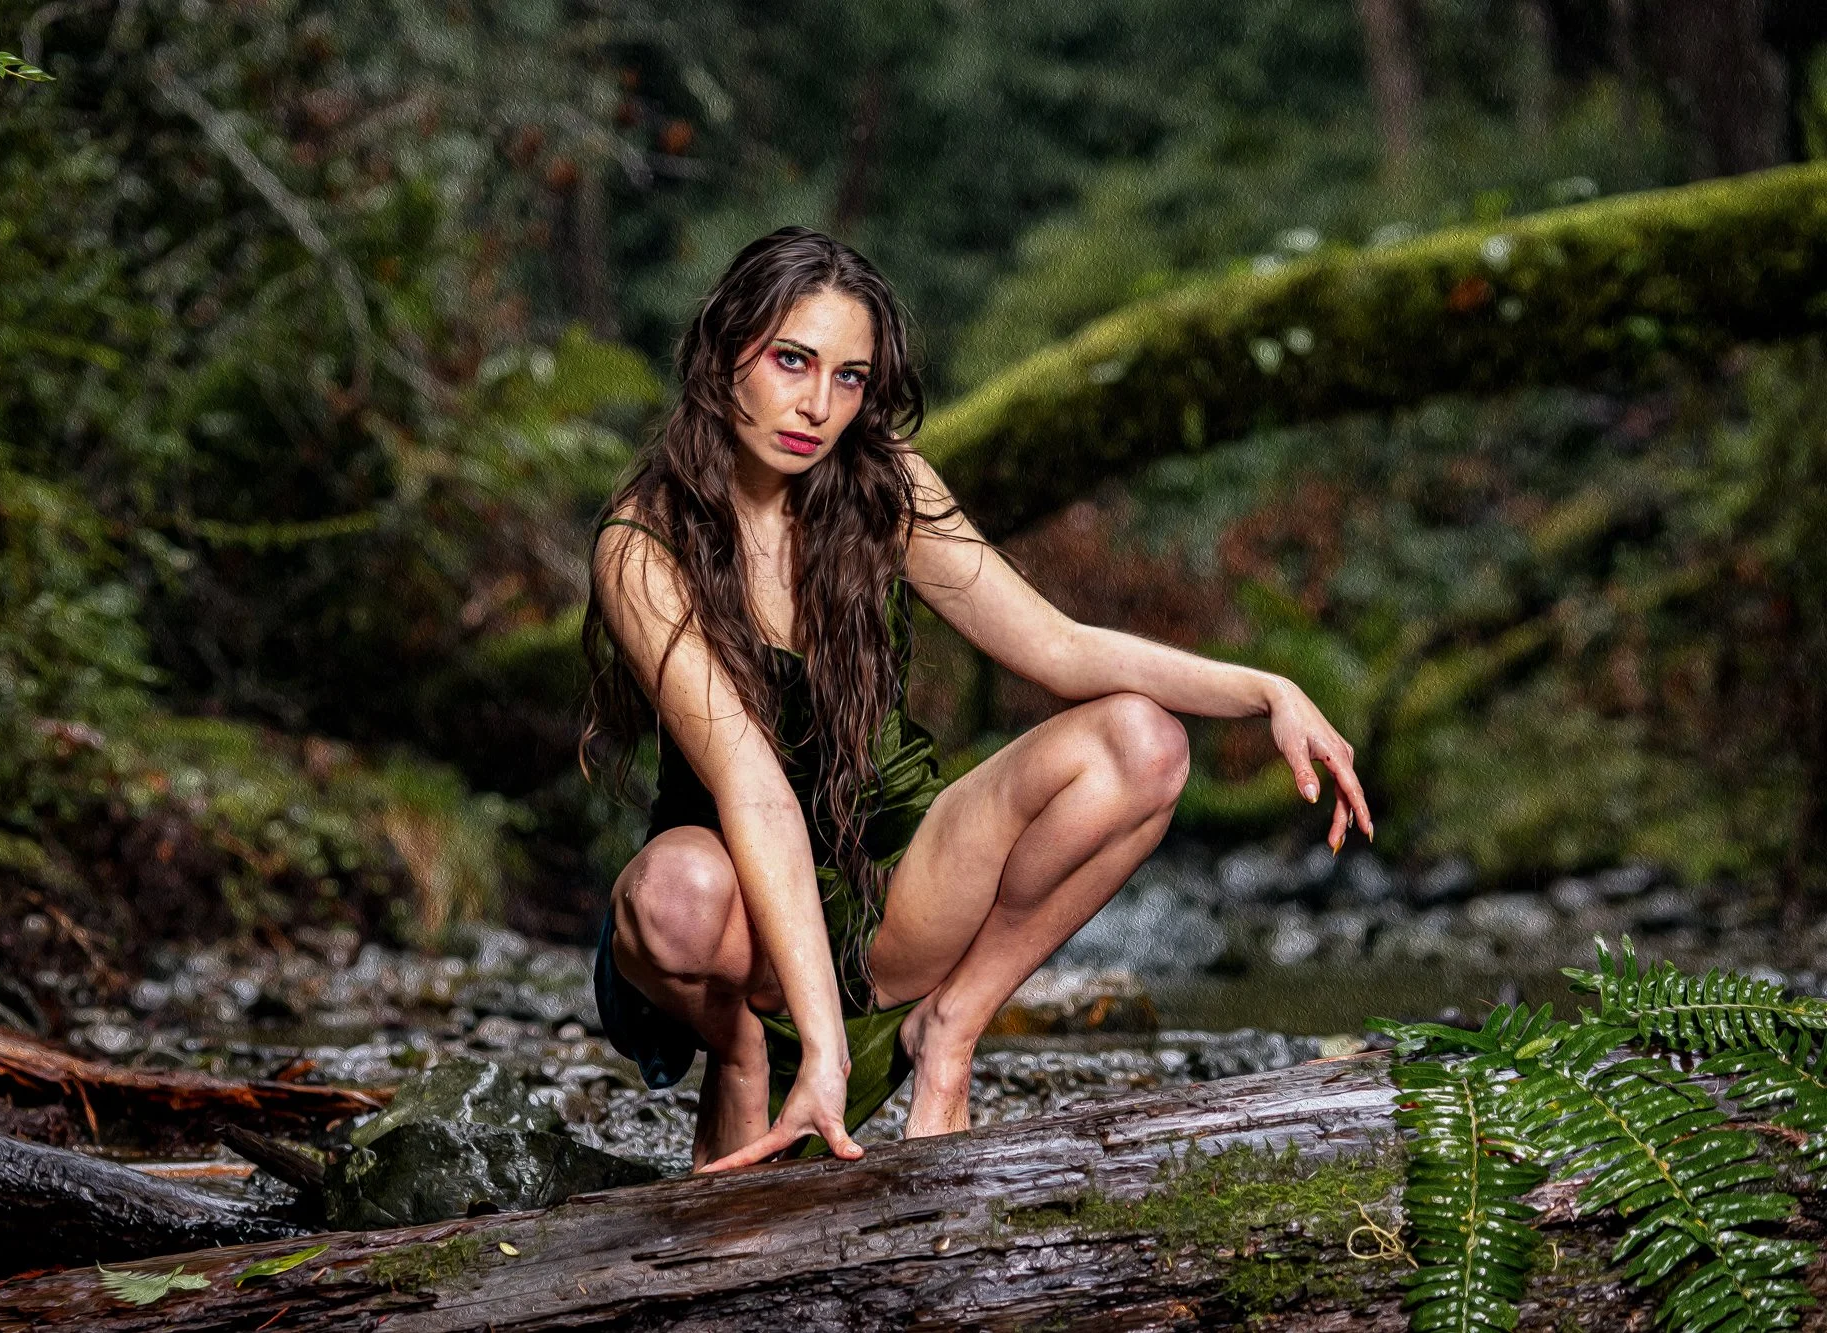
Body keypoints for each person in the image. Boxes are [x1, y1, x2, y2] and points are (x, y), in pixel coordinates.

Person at [581, 226, 1371, 1173]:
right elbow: (752, 786)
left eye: (850, 376)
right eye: (792, 360)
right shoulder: (643, 544)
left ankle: (947, 1032)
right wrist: (818, 1053)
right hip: (738, 921)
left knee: (1141, 743)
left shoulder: (887, 486)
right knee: (675, 893)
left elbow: (1058, 646)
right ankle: (748, 1053)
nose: (817, 404)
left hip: (895, 884)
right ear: (723, 351)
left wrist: (1266, 689)